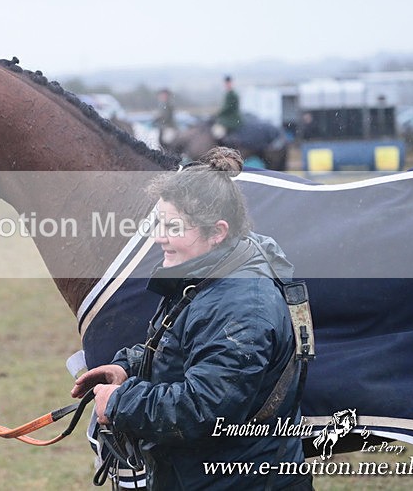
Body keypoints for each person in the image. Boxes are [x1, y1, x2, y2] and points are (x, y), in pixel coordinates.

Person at [72, 147, 311, 490]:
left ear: (217, 232)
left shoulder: (242, 307)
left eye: (173, 227)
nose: (159, 237)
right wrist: (128, 368)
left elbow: (206, 409)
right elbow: (184, 350)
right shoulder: (211, 273)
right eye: (158, 223)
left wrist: (121, 402)